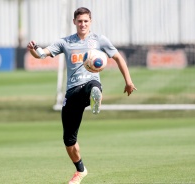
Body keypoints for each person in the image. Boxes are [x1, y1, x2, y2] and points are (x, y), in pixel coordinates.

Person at [27, 7, 137, 184]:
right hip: (72, 91)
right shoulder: (65, 42)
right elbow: (41, 54)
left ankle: (96, 96)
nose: (83, 24)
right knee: (69, 141)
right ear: (74, 22)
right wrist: (33, 49)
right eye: (80, 21)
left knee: (92, 86)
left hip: (90, 84)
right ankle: (81, 170)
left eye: (86, 21)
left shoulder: (99, 40)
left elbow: (118, 58)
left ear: (90, 22)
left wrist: (129, 81)